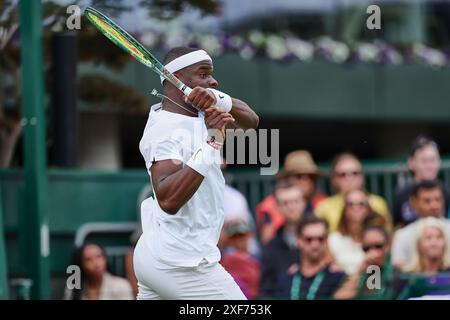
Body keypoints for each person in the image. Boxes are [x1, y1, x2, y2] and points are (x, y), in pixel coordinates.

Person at [133, 46, 259, 300]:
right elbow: (168, 200)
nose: (212, 80)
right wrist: (212, 142)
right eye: (203, 74)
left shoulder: (200, 112)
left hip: (162, 254)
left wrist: (216, 97)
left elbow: (251, 120)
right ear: (175, 79)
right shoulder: (163, 131)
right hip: (180, 262)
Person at [256, 150, 326, 244]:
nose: (305, 181)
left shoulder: (322, 202)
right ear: (286, 178)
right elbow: (267, 241)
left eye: (310, 176)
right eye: (299, 176)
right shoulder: (269, 206)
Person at [315, 152, 392, 233]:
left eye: (355, 173)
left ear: (362, 176)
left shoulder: (378, 203)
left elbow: (387, 235)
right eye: (343, 174)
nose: (350, 178)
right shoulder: (324, 208)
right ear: (334, 179)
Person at [276, 216, 346, 300]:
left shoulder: (337, 277)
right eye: (309, 239)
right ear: (298, 241)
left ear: (327, 241)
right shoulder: (286, 279)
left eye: (320, 239)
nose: (315, 245)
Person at [259, 181, 306, 298]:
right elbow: (266, 290)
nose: (291, 207)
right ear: (277, 207)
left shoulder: (321, 237)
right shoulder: (271, 247)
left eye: (295, 201)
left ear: (304, 202)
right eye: (285, 203)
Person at [393, 135, 450, 226]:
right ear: (411, 163)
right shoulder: (402, 192)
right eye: (424, 160)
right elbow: (397, 224)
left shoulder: (446, 191)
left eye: (433, 160)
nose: (429, 166)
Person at [391, 180, 450, 268]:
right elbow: (398, 268)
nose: (433, 205)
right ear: (414, 203)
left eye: (438, 199)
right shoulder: (402, 235)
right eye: (427, 201)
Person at [328, 189, 388, 275]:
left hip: (370, 284)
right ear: (344, 209)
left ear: (368, 208)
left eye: (361, 204)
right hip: (339, 286)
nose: (356, 208)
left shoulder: (377, 239)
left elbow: (377, 275)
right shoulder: (333, 240)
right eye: (350, 204)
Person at [334, 226, 394, 300]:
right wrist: (359, 272)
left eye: (378, 246)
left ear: (388, 245)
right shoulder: (363, 273)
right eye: (366, 248)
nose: (372, 253)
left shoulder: (397, 272)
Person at [64, 243, 134, 300]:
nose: (96, 263)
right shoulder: (73, 288)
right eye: (88, 259)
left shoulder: (121, 285)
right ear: (81, 264)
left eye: (99, 256)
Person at [220, 219, 261, 299]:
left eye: (242, 235)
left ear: (249, 235)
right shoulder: (227, 260)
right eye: (234, 237)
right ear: (229, 240)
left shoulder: (257, 256)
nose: (238, 240)